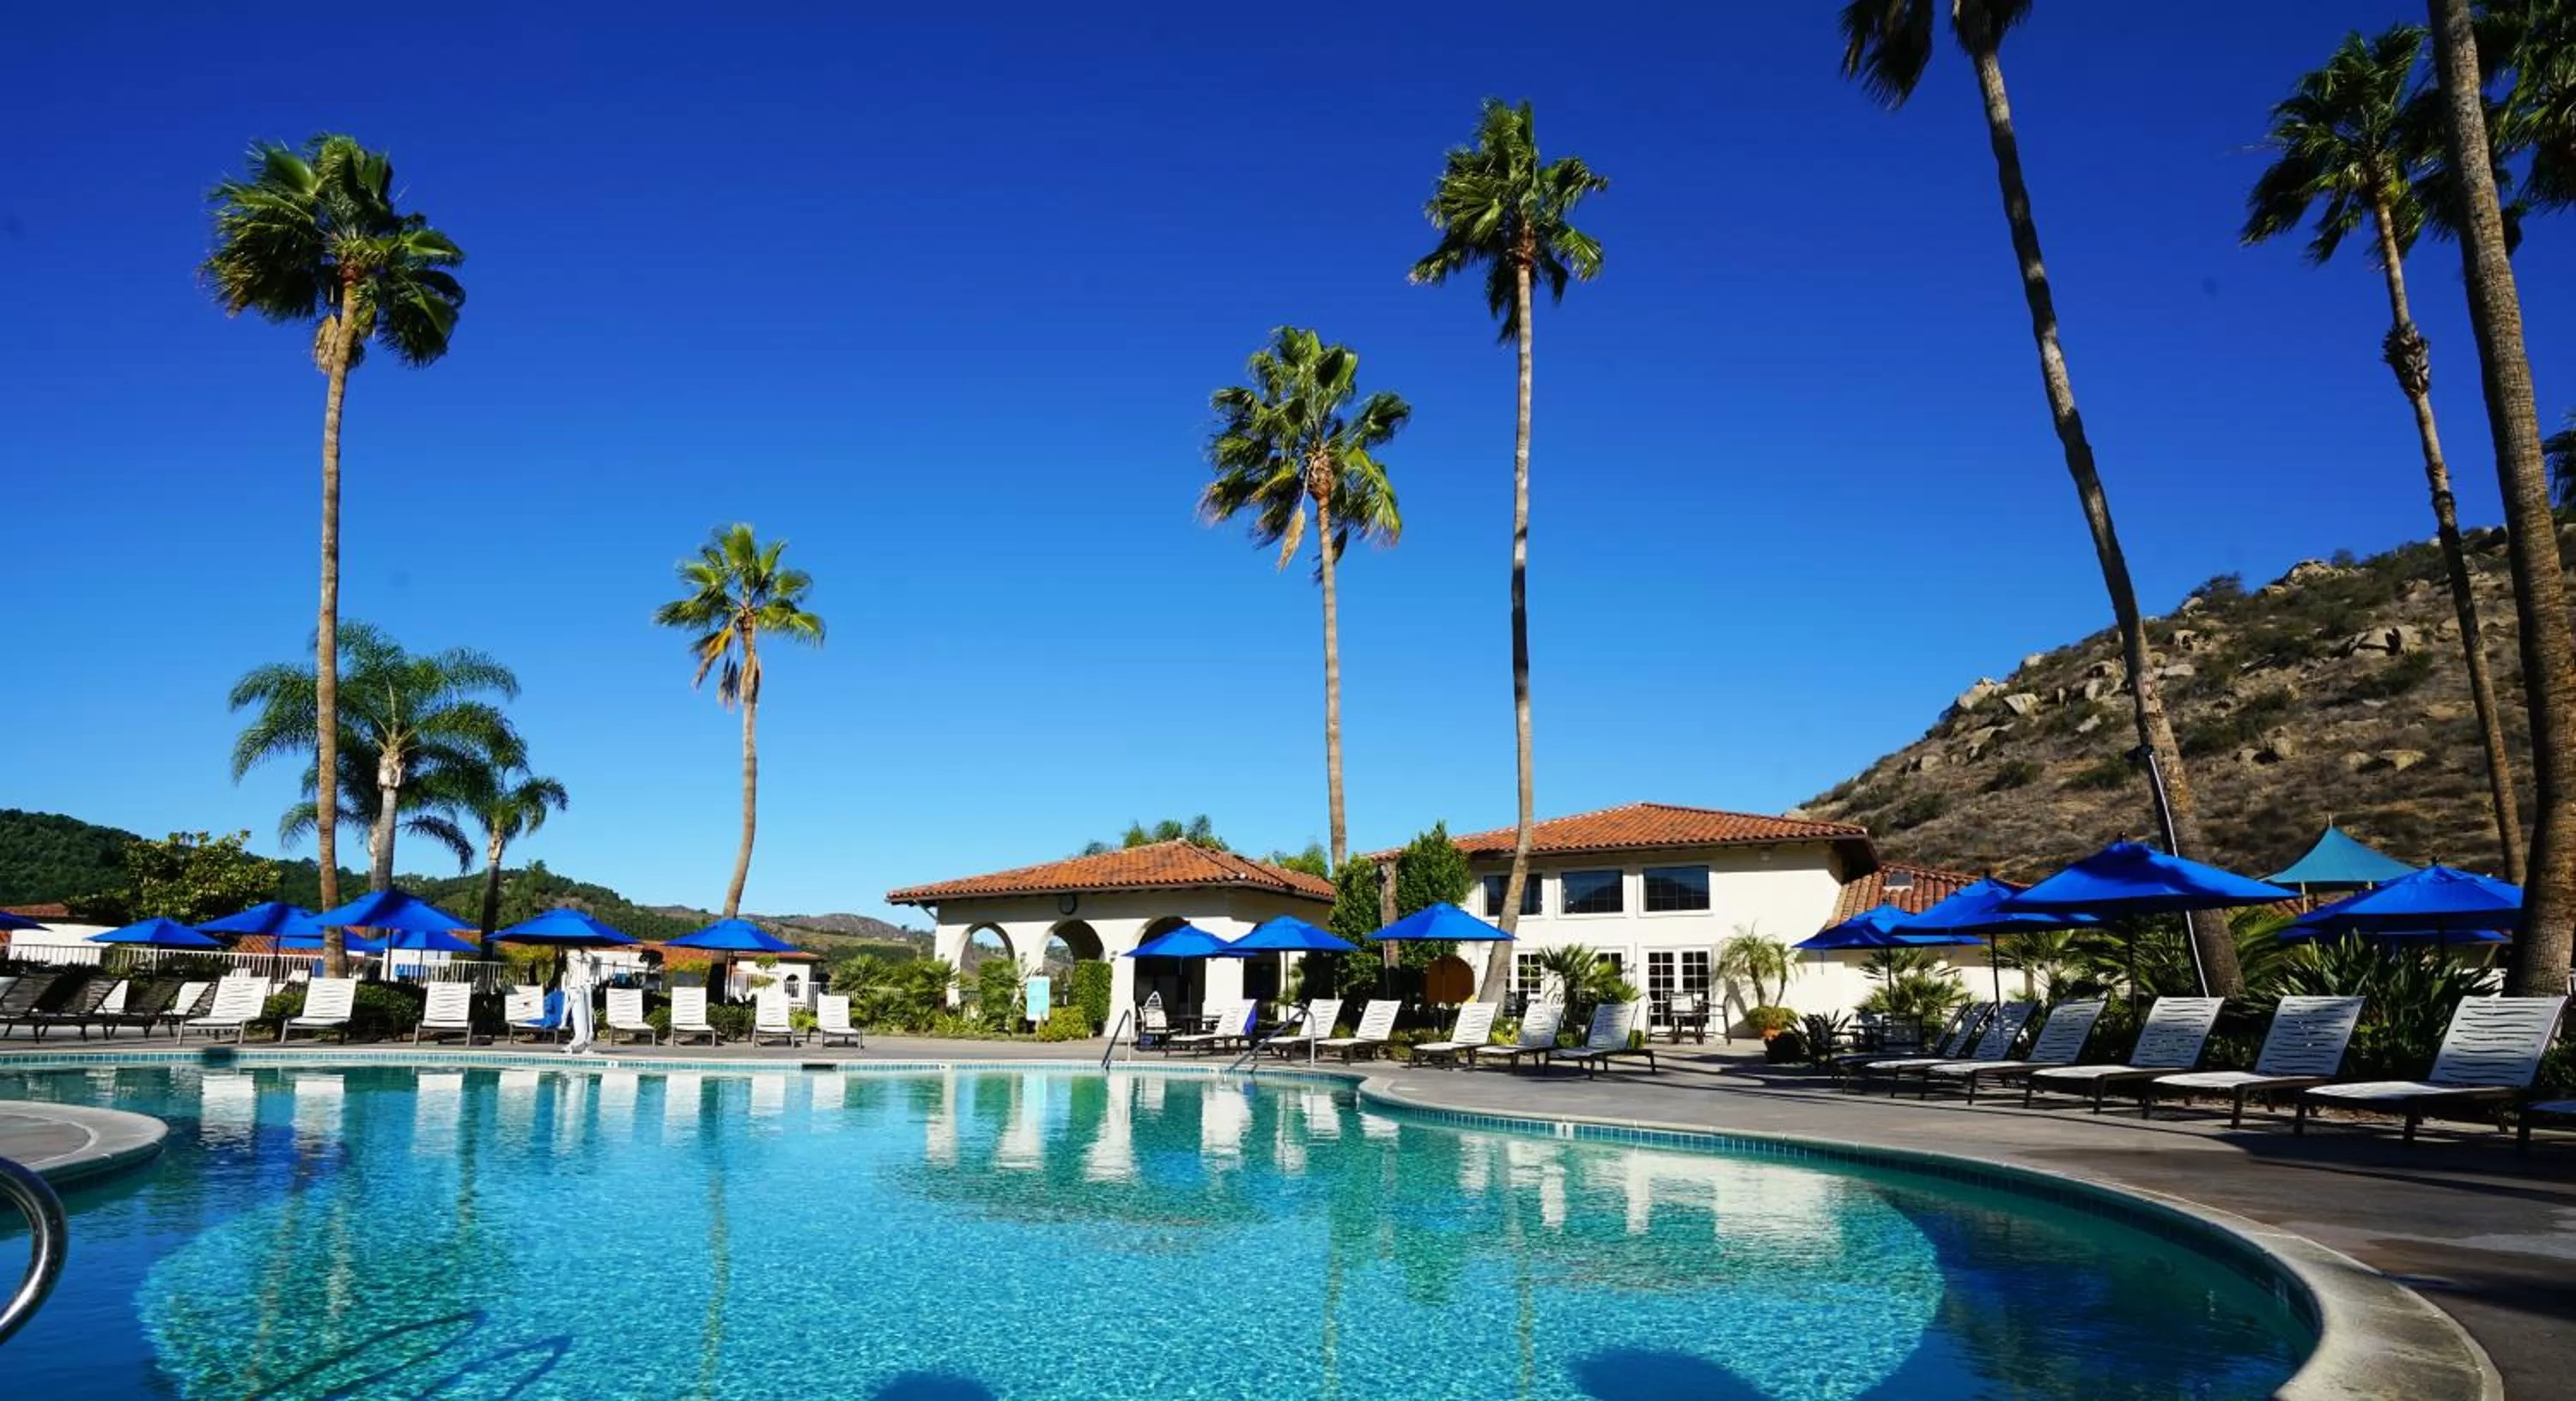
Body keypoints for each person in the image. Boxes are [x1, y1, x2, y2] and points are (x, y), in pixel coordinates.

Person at [562, 947, 598, 1054]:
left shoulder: (585, 958)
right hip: (576, 988)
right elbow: (569, 1002)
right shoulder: (573, 957)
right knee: (582, 1027)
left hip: (584, 987)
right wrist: (563, 1019)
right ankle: (570, 1046)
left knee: (589, 1027)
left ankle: (586, 1047)